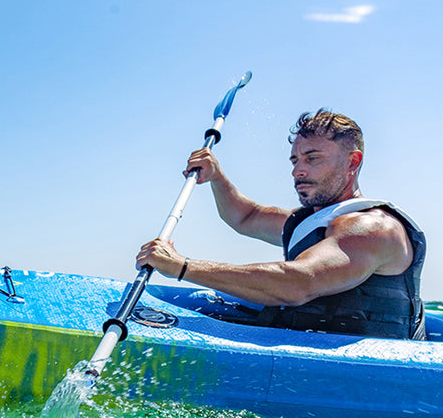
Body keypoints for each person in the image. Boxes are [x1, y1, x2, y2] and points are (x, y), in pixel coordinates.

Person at [135, 109, 426, 339]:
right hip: (307, 343)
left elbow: (300, 282)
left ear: (352, 162)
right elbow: (244, 217)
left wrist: (182, 267)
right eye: (295, 160)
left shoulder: (372, 229)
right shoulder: (316, 220)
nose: (298, 170)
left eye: (312, 158)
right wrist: (216, 177)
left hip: (362, 373)